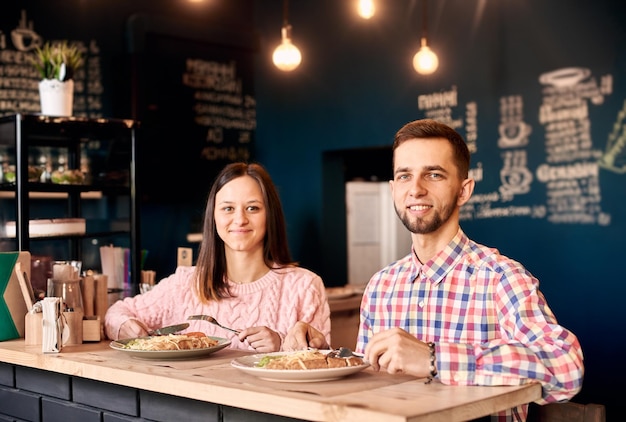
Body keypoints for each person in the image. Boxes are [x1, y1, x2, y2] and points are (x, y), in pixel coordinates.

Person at [284, 119, 584, 421]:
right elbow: (369, 378)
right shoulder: (381, 286)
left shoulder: (501, 278)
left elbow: (566, 367)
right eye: (404, 176)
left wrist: (434, 358)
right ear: (393, 189)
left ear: (464, 190)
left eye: (434, 174)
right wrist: (325, 356)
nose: (416, 189)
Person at [105, 162, 331, 352]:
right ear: (213, 217)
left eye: (252, 208)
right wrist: (126, 326)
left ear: (270, 215)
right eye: (228, 209)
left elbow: (323, 364)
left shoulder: (305, 286)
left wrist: (281, 344)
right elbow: (117, 313)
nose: (240, 219)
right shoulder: (185, 283)